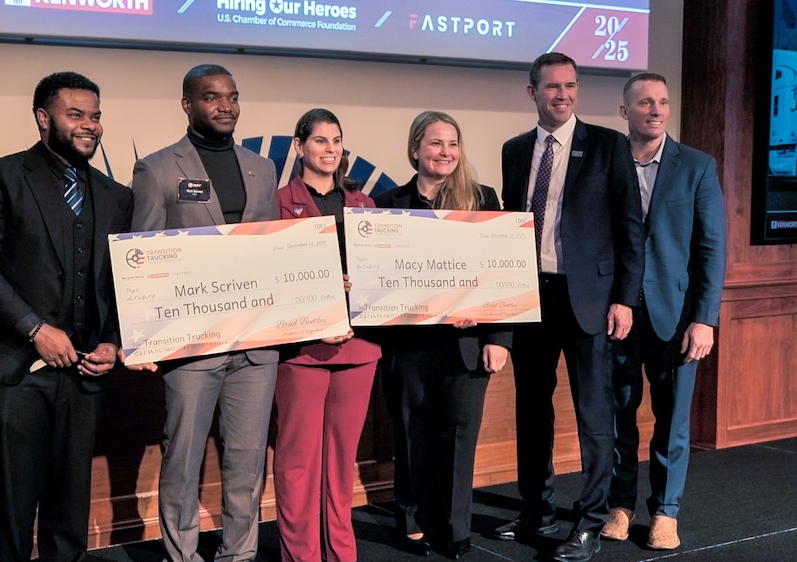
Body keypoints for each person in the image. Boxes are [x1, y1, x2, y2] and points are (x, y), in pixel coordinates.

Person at [0, 71, 134, 561]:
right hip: (13, 372)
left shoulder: (117, 196)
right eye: (75, 114)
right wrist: (35, 329)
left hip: (84, 377)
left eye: (95, 116)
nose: (90, 125)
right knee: (13, 514)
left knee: (69, 511)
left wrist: (113, 343)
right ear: (43, 118)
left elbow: (125, 281)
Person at [491, 53, 644, 562]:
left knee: (594, 416)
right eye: (552, 87)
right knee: (531, 411)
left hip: (590, 301)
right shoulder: (514, 151)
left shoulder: (608, 145)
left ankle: (591, 521)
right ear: (531, 92)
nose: (563, 95)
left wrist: (625, 298)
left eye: (571, 86)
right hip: (530, 297)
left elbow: (630, 230)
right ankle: (537, 509)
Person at [130, 64, 280, 562]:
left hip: (256, 345)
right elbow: (142, 259)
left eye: (233, 97)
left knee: (247, 461)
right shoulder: (157, 169)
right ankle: (183, 556)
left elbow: (277, 253)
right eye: (212, 97)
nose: (226, 106)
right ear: (187, 104)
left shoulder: (264, 167)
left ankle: (239, 554)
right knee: (183, 460)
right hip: (191, 345)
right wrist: (145, 337)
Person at [373, 111, 512, 559]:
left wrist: (499, 337)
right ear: (415, 149)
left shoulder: (483, 199)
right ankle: (412, 519)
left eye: (453, 144)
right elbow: (377, 279)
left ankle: (454, 528)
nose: (446, 152)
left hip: (467, 347)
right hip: (408, 347)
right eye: (436, 144)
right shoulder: (387, 204)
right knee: (411, 435)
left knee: (457, 440)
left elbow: (505, 272)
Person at [599, 73, 727, 550]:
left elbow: (712, 248)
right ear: (624, 112)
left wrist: (705, 318)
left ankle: (666, 512)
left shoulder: (696, 166)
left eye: (663, 103)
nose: (656, 110)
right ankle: (620, 504)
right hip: (618, 315)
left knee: (672, 418)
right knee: (619, 415)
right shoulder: (605, 164)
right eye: (645, 103)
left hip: (678, 318)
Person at [273, 108, 381, 562]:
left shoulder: (366, 205)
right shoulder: (276, 202)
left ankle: (341, 551)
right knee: (297, 459)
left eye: (336, 140)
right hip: (303, 351)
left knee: (341, 461)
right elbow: (269, 274)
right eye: (320, 141)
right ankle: (302, 554)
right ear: (299, 146)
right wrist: (318, 285)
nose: (330, 149)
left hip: (358, 348)